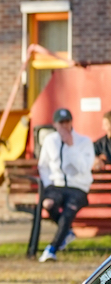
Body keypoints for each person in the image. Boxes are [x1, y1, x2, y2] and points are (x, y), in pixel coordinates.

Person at [37, 107, 96, 263]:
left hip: (78, 187)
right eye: (61, 123)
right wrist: (48, 184)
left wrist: (71, 146)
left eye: (67, 122)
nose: (64, 126)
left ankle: (52, 249)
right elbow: (43, 166)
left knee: (69, 211)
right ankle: (67, 232)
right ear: (55, 124)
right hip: (56, 186)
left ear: (71, 122)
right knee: (48, 203)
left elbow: (84, 168)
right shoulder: (50, 141)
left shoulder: (84, 142)